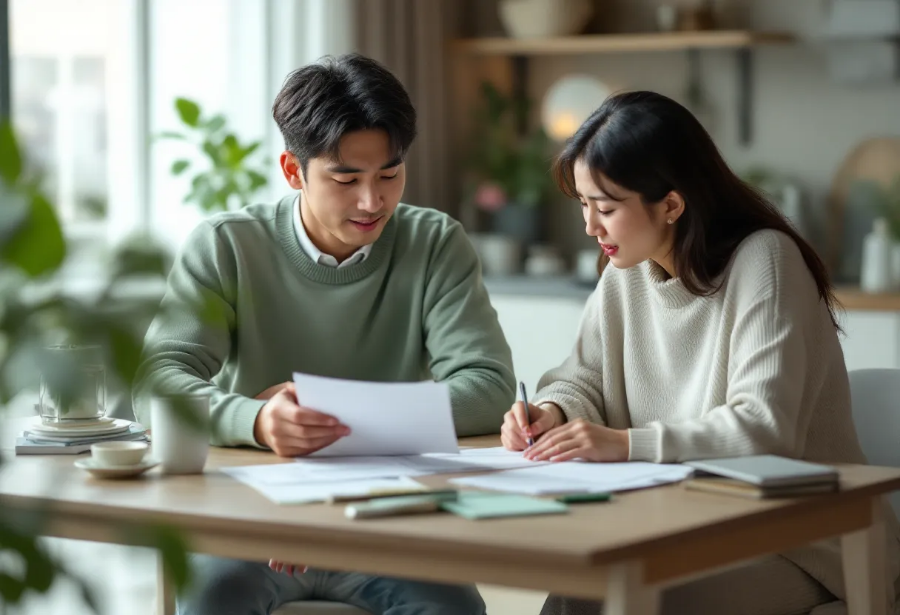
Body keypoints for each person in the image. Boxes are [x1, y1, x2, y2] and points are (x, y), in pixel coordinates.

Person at [133, 53, 515, 615]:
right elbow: (156, 383)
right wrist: (259, 421)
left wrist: (320, 415)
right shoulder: (227, 245)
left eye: (390, 174)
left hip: (387, 522)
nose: (373, 201)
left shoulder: (434, 243)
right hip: (254, 522)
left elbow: (488, 387)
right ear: (293, 170)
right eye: (346, 178)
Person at [500, 90, 900, 615]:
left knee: (630, 602)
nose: (590, 228)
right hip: (676, 525)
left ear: (671, 203)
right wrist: (551, 412)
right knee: (575, 597)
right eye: (583, 205)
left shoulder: (765, 262)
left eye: (606, 208)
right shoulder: (626, 272)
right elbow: (583, 379)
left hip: (798, 540)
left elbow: (764, 427)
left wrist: (625, 444)